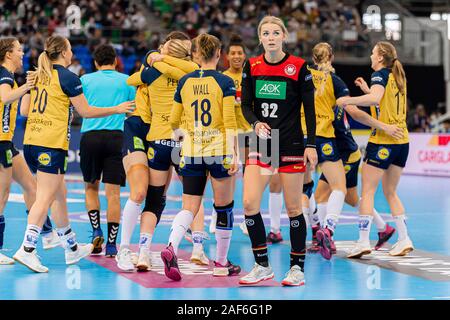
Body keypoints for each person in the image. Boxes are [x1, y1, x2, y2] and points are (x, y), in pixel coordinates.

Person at [12, 35, 134, 273]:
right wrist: (117, 109)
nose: (72, 54)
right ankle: (27, 249)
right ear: (65, 53)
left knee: (60, 194)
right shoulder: (68, 77)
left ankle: (71, 247)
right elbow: (86, 111)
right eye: (70, 50)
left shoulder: (38, 75)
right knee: (45, 197)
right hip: (50, 143)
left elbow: (24, 111)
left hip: (31, 142)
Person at [239, 16, 317, 286]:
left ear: (284, 36)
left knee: (294, 207)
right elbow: (246, 105)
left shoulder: (298, 67)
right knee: (249, 204)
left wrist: (311, 144)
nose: (270, 37)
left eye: (275, 32)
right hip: (262, 143)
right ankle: (262, 265)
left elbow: (310, 109)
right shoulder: (252, 65)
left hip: (292, 143)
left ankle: (297, 268)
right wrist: (256, 122)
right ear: (260, 38)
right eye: (265, 33)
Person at [161, 33, 241, 281]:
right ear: (219, 55)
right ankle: (221, 263)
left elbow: (173, 120)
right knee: (224, 206)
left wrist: (180, 136)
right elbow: (229, 121)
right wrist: (234, 155)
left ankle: (171, 247)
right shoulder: (224, 82)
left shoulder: (184, 82)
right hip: (218, 151)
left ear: (195, 55)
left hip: (192, 152)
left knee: (190, 207)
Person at [115, 31, 197, 271]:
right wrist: (157, 59)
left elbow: (132, 80)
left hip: (160, 136)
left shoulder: (156, 69)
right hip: (154, 131)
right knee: (148, 193)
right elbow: (131, 79)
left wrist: (160, 60)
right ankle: (128, 250)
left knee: (155, 198)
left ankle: (144, 251)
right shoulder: (181, 71)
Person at [336, 41, 414, 258]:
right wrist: (366, 90)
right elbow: (383, 101)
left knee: (368, 192)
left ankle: (362, 241)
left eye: (373, 53)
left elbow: (375, 99)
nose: (371, 56)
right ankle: (404, 238)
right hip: (402, 141)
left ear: (380, 57)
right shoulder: (398, 75)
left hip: (383, 140)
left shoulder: (380, 74)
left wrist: (347, 100)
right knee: (390, 193)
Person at [0, 37, 59, 265]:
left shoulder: (9, 77)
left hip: (7, 143)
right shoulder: (4, 75)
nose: (22, 54)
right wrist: (27, 86)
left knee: (32, 187)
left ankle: (45, 236)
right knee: (2, 196)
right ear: (8, 54)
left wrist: (25, 86)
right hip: (1, 143)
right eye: (18, 50)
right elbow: (4, 97)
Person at [79, 44, 136, 257]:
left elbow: (80, 108)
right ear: (115, 60)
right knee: (113, 194)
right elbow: (134, 110)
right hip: (116, 137)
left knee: (90, 188)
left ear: (95, 62)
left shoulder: (85, 80)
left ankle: (96, 230)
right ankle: (112, 244)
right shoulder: (127, 80)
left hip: (90, 137)